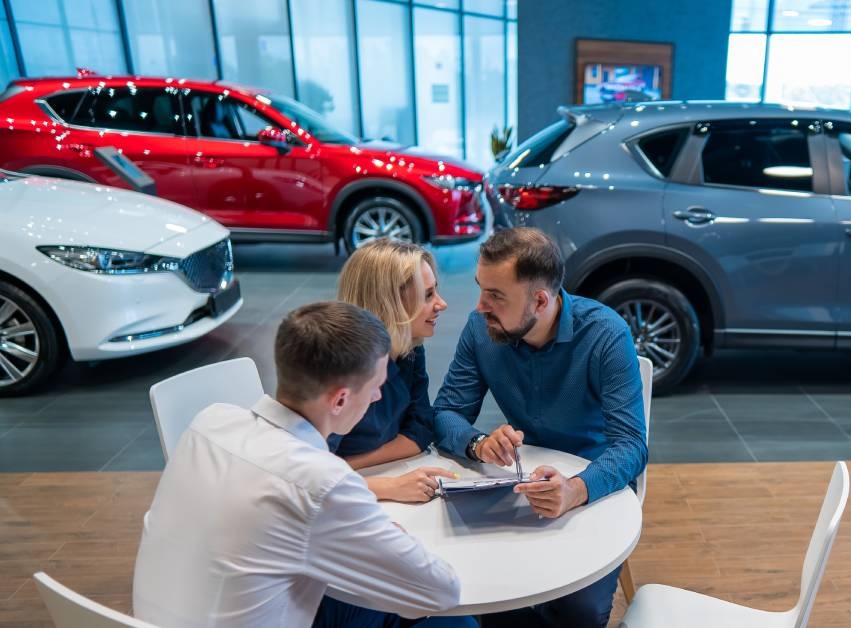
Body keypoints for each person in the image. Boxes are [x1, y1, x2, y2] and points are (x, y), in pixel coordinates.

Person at [133, 301, 460, 627]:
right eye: (375, 387)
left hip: (155, 618)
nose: (377, 397)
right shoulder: (321, 482)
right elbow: (440, 592)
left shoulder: (209, 422)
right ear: (340, 399)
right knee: (454, 623)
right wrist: (387, 536)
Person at [433, 227, 648, 628]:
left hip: (593, 486)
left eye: (496, 295)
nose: (480, 306)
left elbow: (632, 446)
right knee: (488, 594)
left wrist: (575, 489)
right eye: (481, 288)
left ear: (541, 300)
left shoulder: (604, 334)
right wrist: (479, 443)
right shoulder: (482, 328)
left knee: (578, 613)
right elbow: (445, 412)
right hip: (514, 482)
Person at [313, 240, 473, 628]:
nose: (443, 304)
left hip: (360, 495)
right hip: (332, 558)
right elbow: (310, 482)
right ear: (390, 304)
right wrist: (388, 485)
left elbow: (420, 430)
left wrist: (349, 467)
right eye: (429, 295)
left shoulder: (409, 348)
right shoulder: (335, 374)